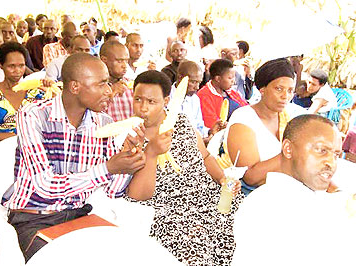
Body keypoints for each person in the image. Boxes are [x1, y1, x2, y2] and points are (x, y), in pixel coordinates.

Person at [3, 53, 146, 261]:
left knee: (128, 255)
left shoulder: (103, 122)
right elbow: (44, 185)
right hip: (34, 217)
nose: (109, 91)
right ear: (75, 87)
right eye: (101, 84)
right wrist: (107, 168)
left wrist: (128, 158)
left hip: (78, 215)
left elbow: (112, 191)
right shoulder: (34, 115)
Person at [125, 70, 241, 265]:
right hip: (168, 207)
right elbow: (137, 195)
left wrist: (222, 179)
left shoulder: (181, 122)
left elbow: (205, 157)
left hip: (206, 194)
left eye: (151, 102)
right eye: (138, 99)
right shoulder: (130, 136)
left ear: (166, 101)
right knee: (195, 244)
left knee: (241, 225)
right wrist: (151, 153)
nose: (143, 108)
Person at [232, 114, 354, 266]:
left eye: (336, 154)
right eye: (321, 150)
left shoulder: (314, 199)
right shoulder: (270, 209)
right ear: (288, 149)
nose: (331, 162)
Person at [222, 58, 295, 195]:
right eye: (279, 89)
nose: (285, 96)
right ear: (262, 89)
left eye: (290, 90)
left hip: (279, 190)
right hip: (245, 195)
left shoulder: (287, 117)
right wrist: (293, 152)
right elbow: (251, 177)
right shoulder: (243, 119)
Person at [171, 60, 224, 143]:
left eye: (199, 82)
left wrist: (210, 131)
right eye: (193, 82)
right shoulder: (166, 98)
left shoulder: (195, 99)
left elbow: (199, 127)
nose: (197, 87)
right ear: (180, 77)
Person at [197, 59, 248, 128]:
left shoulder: (231, 92)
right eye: (230, 78)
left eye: (234, 77)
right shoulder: (204, 95)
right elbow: (211, 123)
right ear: (218, 79)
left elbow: (246, 107)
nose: (233, 81)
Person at [100, 40, 132, 121]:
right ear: (104, 60)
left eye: (126, 61)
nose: (125, 66)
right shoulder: (95, 88)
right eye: (119, 61)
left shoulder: (132, 86)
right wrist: (111, 92)